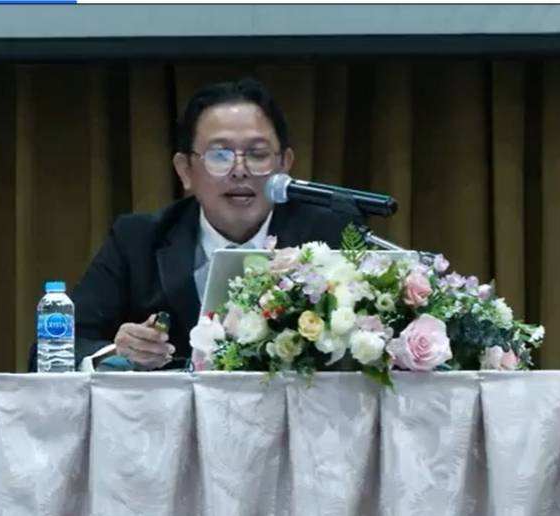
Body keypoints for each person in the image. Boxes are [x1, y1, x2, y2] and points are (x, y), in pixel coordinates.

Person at [29, 77, 351, 372]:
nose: (240, 170)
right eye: (220, 155)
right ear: (185, 171)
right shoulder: (138, 241)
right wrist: (116, 353)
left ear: (284, 165)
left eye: (257, 154)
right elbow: (51, 353)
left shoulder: (327, 236)